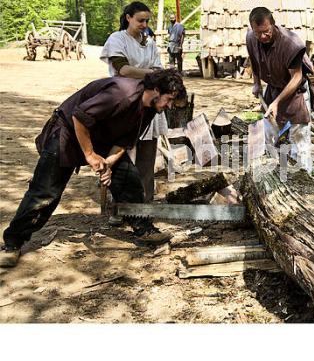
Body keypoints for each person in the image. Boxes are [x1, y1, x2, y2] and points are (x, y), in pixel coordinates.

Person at [0, 70, 187, 268]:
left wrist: (108, 163)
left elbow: (125, 141)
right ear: (156, 89)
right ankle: (12, 243)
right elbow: (79, 118)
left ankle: (144, 228)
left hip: (100, 138)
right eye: (168, 99)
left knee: (128, 180)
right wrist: (90, 155)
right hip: (68, 133)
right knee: (44, 193)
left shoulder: (149, 108)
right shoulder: (121, 93)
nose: (168, 106)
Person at [100, 1, 168, 202]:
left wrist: (155, 75)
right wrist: (152, 74)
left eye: (147, 20)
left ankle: (144, 205)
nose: (144, 24)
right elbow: (124, 70)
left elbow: (159, 69)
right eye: (140, 20)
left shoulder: (150, 43)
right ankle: (120, 207)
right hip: (124, 102)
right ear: (128, 18)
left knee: (147, 160)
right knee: (121, 159)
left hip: (149, 103)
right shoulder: (117, 39)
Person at [246, 7, 314, 173]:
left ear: (273, 25)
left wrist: (276, 103)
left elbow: (296, 77)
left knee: (299, 142)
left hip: (296, 94)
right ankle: (276, 175)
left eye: (266, 31)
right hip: (273, 90)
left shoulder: (290, 43)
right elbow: (254, 61)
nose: (262, 36)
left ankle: (305, 180)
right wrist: (256, 83)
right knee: (269, 136)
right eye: (258, 32)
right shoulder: (251, 38)